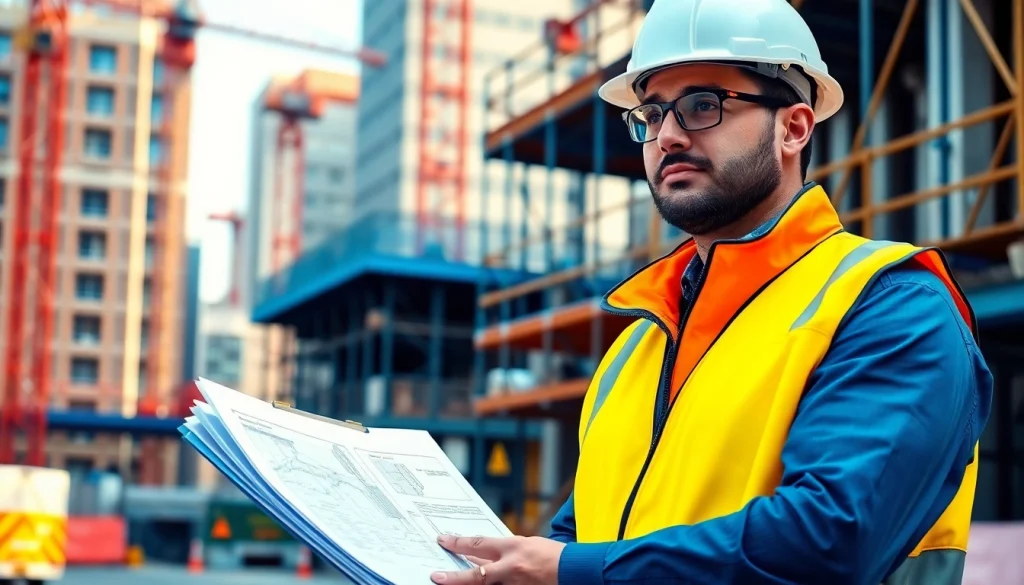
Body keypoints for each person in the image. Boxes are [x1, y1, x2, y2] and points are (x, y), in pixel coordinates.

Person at [430, 0, 994, 583]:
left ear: (794, 128)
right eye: (650, 115)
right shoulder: (634, 350)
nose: (667, 136)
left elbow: (831, 538)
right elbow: (583, 537)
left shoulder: (890, 306)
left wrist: (573, 569)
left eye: (702, 105)